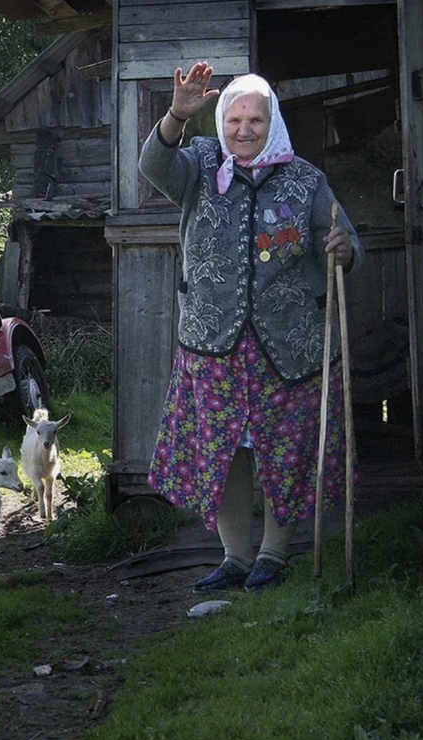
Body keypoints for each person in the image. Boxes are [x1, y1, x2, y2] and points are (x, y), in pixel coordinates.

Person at [138, 62, 363, 593]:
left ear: (272, 121)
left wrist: (343, 250)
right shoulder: (197, 164)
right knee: (225, 453)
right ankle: (235, 557)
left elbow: (347, 240)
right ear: (221, 120)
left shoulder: (305, 180)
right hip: (213, 346)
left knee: (284, 451)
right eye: (234, 119)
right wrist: (176, 115)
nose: (244, 130)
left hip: (288, 349)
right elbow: (152, 166)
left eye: (255, 120)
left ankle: (274, 554)